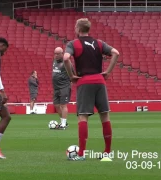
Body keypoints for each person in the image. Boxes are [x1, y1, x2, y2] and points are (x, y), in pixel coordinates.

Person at [63, 18, 120, 160]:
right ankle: (107, 152)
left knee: (83, 117)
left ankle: (81, 153)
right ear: (88, 29)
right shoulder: (99, 43)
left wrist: (71, 76)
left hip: (84, 82)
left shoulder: (73, 44)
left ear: (78, 29)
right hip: (100, 81)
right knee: (105, 116)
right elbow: (116, 53)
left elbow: (65, 58)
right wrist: (108, 72)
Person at [52, 47, 71, 129]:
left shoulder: (66, 62)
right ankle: (64, 122)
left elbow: (72, 73)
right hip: (56, 87)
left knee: (63, 105)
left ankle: (63, 124)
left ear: (61, 53)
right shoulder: (54, 61)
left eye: (57, 54)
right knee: (56, 105)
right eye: (55, 53)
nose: (55, 55)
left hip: (64, 86)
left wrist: (69, 84)